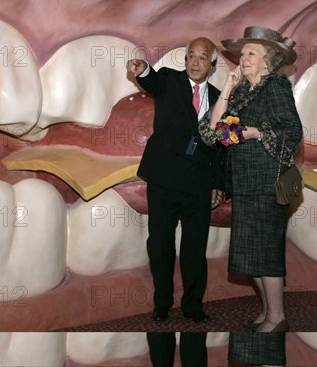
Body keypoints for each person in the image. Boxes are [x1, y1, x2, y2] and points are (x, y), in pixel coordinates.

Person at [200, 26, 302, 332]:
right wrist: (228, 90)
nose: (243, 58)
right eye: (242, 53)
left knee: (266, 254)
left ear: (267, 60)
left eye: (251, 53)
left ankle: (277, 317)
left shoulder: (276, 86)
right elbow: (210, 132)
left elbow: (292, 131)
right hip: (244, 184)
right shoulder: (243, 92)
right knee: (251, 255)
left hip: (268, 182)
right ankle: (269, 312)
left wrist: (256, 132)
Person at [126, 37, 225, 324]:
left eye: (202, 58)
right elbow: (150, 80)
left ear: (212, 64)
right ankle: (162, 303)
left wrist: (219, 184)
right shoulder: (168, 80)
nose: (195, 62)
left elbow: (221, 147)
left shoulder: (221, 98)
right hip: (164, 180)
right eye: (191, 56)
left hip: (199, 185)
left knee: (195, 250)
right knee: (160, 245)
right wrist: (143, 69)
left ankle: (193, 306)